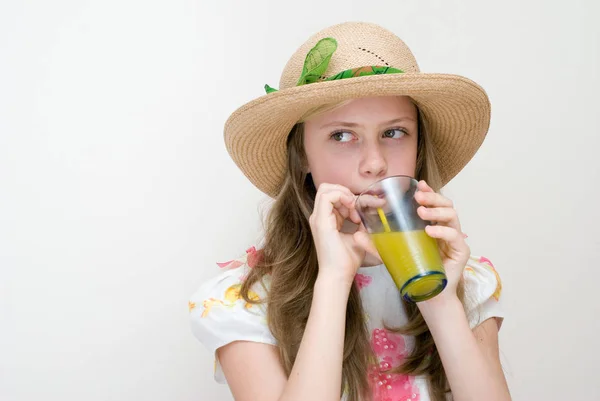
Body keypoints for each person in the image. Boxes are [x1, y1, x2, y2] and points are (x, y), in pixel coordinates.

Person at [188, 21, 510, 401]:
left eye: (394, 132)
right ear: (302, 156)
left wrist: (439, 299)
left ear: (419, 146)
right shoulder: (243, 301)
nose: (374, 164)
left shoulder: (468, 281)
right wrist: (334, 280)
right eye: (342, 135)